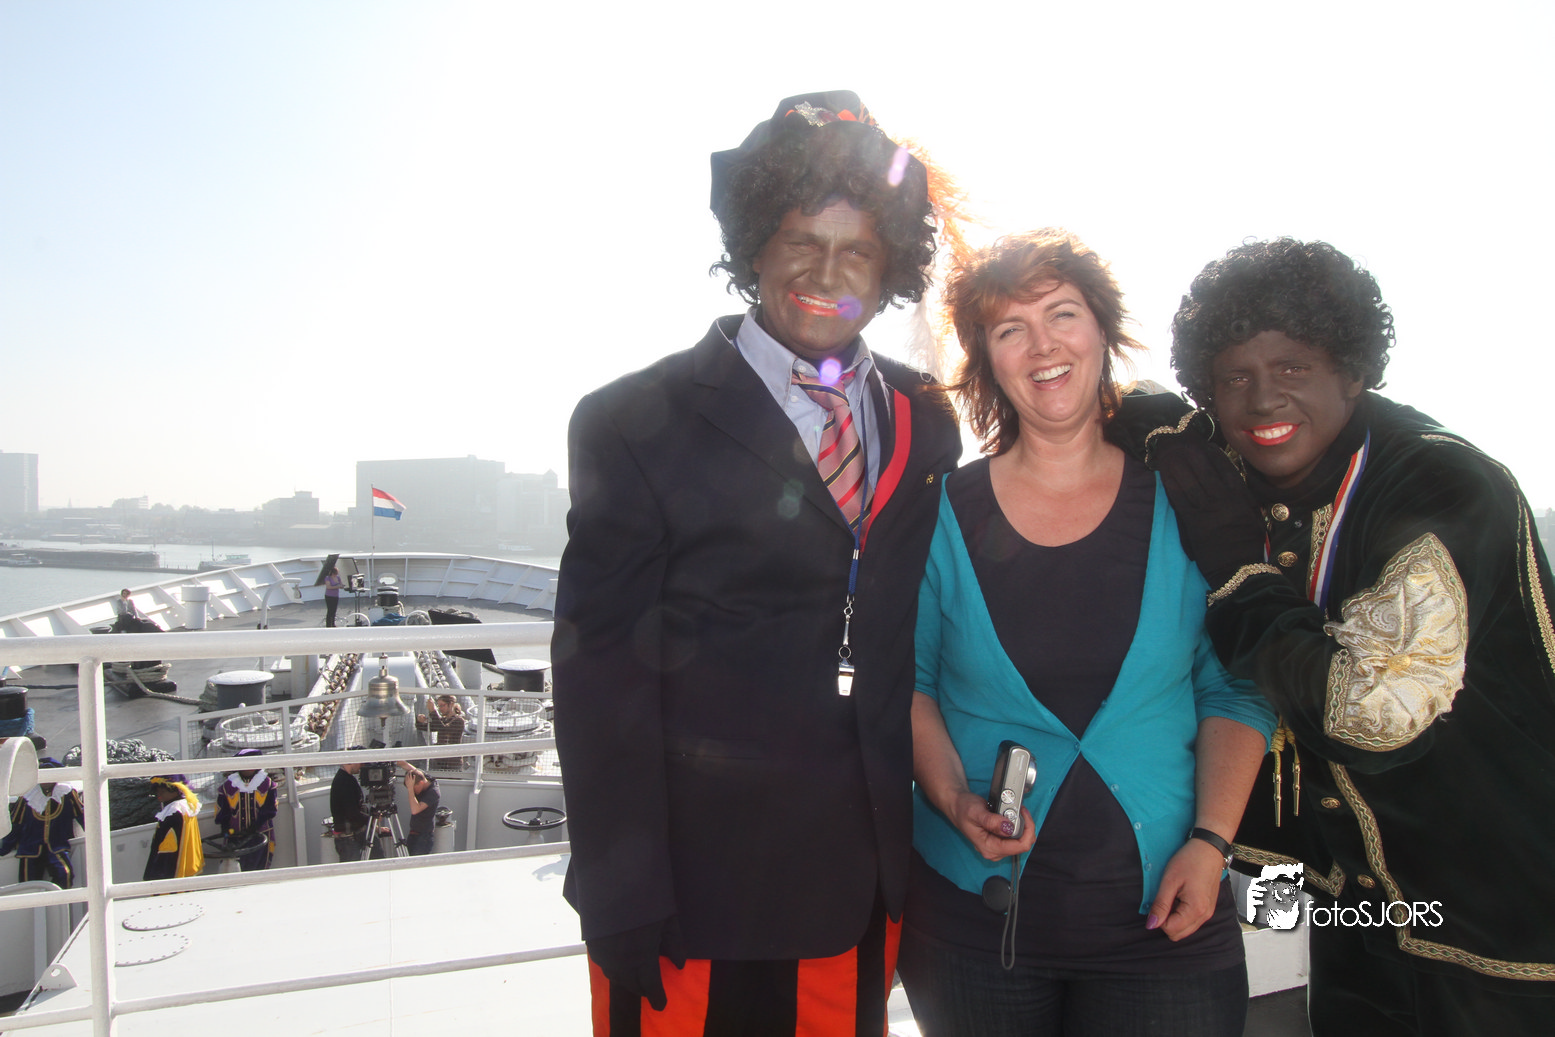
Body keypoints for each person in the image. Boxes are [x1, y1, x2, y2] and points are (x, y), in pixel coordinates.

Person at [551, 90, 961, 1029]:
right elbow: (598, 673)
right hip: (695, 898)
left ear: (890, 266)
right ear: (753, 250)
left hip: (857, 883)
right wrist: (619, 889)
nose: (827, 273)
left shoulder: (925, 420)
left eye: (857, 250)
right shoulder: (629, 421)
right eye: (799, 242)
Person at [1157, 238, 1555, 1034]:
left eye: (1292, 367)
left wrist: (1238, 573)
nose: (1262, 399)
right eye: (1233, 377)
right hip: (1359, 916)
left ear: (1352, 369)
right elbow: (1146, 410)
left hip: (1508, 927)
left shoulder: (1442, 482)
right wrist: (1151, 424)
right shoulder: (1251, 463)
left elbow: (1367, 717)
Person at [896, 229, 1276, 1036]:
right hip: (972, 927)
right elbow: (909, 685)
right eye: (1010, 328)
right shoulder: (939, 513)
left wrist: (1211, 842)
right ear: (986, 359)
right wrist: (953, 798)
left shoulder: (1189, 500)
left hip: (1168, 920)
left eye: (1062, 314)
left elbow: (1234, 685)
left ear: (1102, 329)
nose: (1043, 346)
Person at [1, 757, 84, 887]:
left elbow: (82, 816)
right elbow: (15, 824)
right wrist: (4, 848)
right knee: (28, 884)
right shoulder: (27, 797)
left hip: (56, 846)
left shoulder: (67, 794)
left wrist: (96, 835)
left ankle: (56, 899)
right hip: (30, 849)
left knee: (65, 874)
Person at [213, 748, 278, 871]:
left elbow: (270, 810)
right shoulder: (228, 786)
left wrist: (256, 825)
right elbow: (223, 812)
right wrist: (226, 830)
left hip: (261, 834)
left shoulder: (267, 784)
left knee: (260, 867)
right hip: (235, 836)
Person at [143, 775, 203, 881]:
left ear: (176, 791)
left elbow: (167, 847)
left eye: (163, 791)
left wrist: (155, 872)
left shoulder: (173, 812)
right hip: (188, 863)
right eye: (157, 791)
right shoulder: (185, 806)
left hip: (171, 868)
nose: (159, 794)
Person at [329, 747, 372, 863]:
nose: (361, 766)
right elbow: (352, 813)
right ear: (351, 761)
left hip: (350, 837)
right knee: (353, 871)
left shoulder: (346, 779)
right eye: (360, 762)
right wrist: (371, 819)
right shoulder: (344, 782)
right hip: (349, 839)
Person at [416, 694, 465, 770]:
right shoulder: (443, 720)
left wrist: (433, 711)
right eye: (439, 706)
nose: (440, 709)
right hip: (440, 762)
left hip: (453, 764)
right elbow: (424, 727)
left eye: (442, 705)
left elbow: (444, 730)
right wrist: (419, 720)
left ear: (451, 704)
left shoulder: (459, 720)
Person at [398, 764, 439, 856]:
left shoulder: (433, 792)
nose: (414, 792)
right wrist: (398, 762)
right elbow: (412, 770)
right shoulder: (423, 777)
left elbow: (415, 810)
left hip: (424, 838)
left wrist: (410, 789)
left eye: (414, 788)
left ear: (421, 783)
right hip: (413, 833)